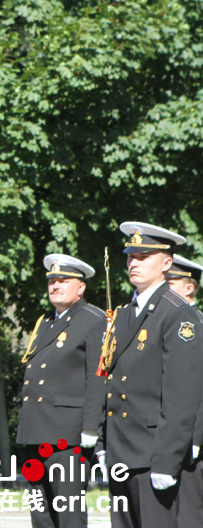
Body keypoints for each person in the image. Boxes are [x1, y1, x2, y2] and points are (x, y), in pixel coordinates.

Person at [97, 222, 203, 528]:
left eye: (144, 256)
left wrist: (167, 461)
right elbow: (113, 381)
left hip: (152, 453)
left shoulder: (177, 313)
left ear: (166, 263)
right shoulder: (125, 313)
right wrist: (104, 444)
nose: (133, 262)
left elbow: (181, 394)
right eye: (131, 255)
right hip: (121, 451)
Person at [16, 254, 107, 528]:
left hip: (68, 436)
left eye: (63, 281)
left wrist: (92, 429)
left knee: (68, 515)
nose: (55, 285)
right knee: (40, 513)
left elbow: (98, 379)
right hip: (36, 431)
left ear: (80, 287)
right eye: (52, 281)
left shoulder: (94, 320)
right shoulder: (45, 321)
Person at [169, 254, 203, 528]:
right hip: (162, 436)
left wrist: (196, 436)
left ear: (189, 287)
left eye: (169, 281)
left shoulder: (194, 324)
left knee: (188, 516)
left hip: (191, 437)